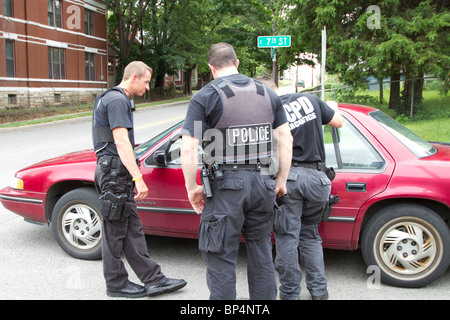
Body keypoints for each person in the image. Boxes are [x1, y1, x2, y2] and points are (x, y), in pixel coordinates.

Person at [180, 43, 292, 300]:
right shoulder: (268, 93)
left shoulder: (205, 96)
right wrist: (281, 180)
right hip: (264, 184)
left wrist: (192, 188)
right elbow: (285, 139)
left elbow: (189, 148)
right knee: (261, 254)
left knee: (220, 256)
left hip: (225, 188)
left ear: (211, 68)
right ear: (237, 62)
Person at [92, 61, 186, 298]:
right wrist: (138, 177)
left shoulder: (117, 99)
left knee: (132, 230)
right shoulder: (117, 100)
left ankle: (154, 279)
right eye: (145, 82)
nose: (147, 87)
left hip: (116, 174)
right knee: (114, 232)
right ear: (133, 78)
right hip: (115, 175)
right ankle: (116, 284)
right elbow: (121, 141)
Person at [257, 75, 344, 300]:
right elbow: (339, 122)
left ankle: (290, 294)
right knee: (311, 235)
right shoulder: (310, 100)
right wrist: (331, 107)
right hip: (319, 179)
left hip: (291, 179)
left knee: (287, 237)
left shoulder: (269, 112)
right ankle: (319, 291)